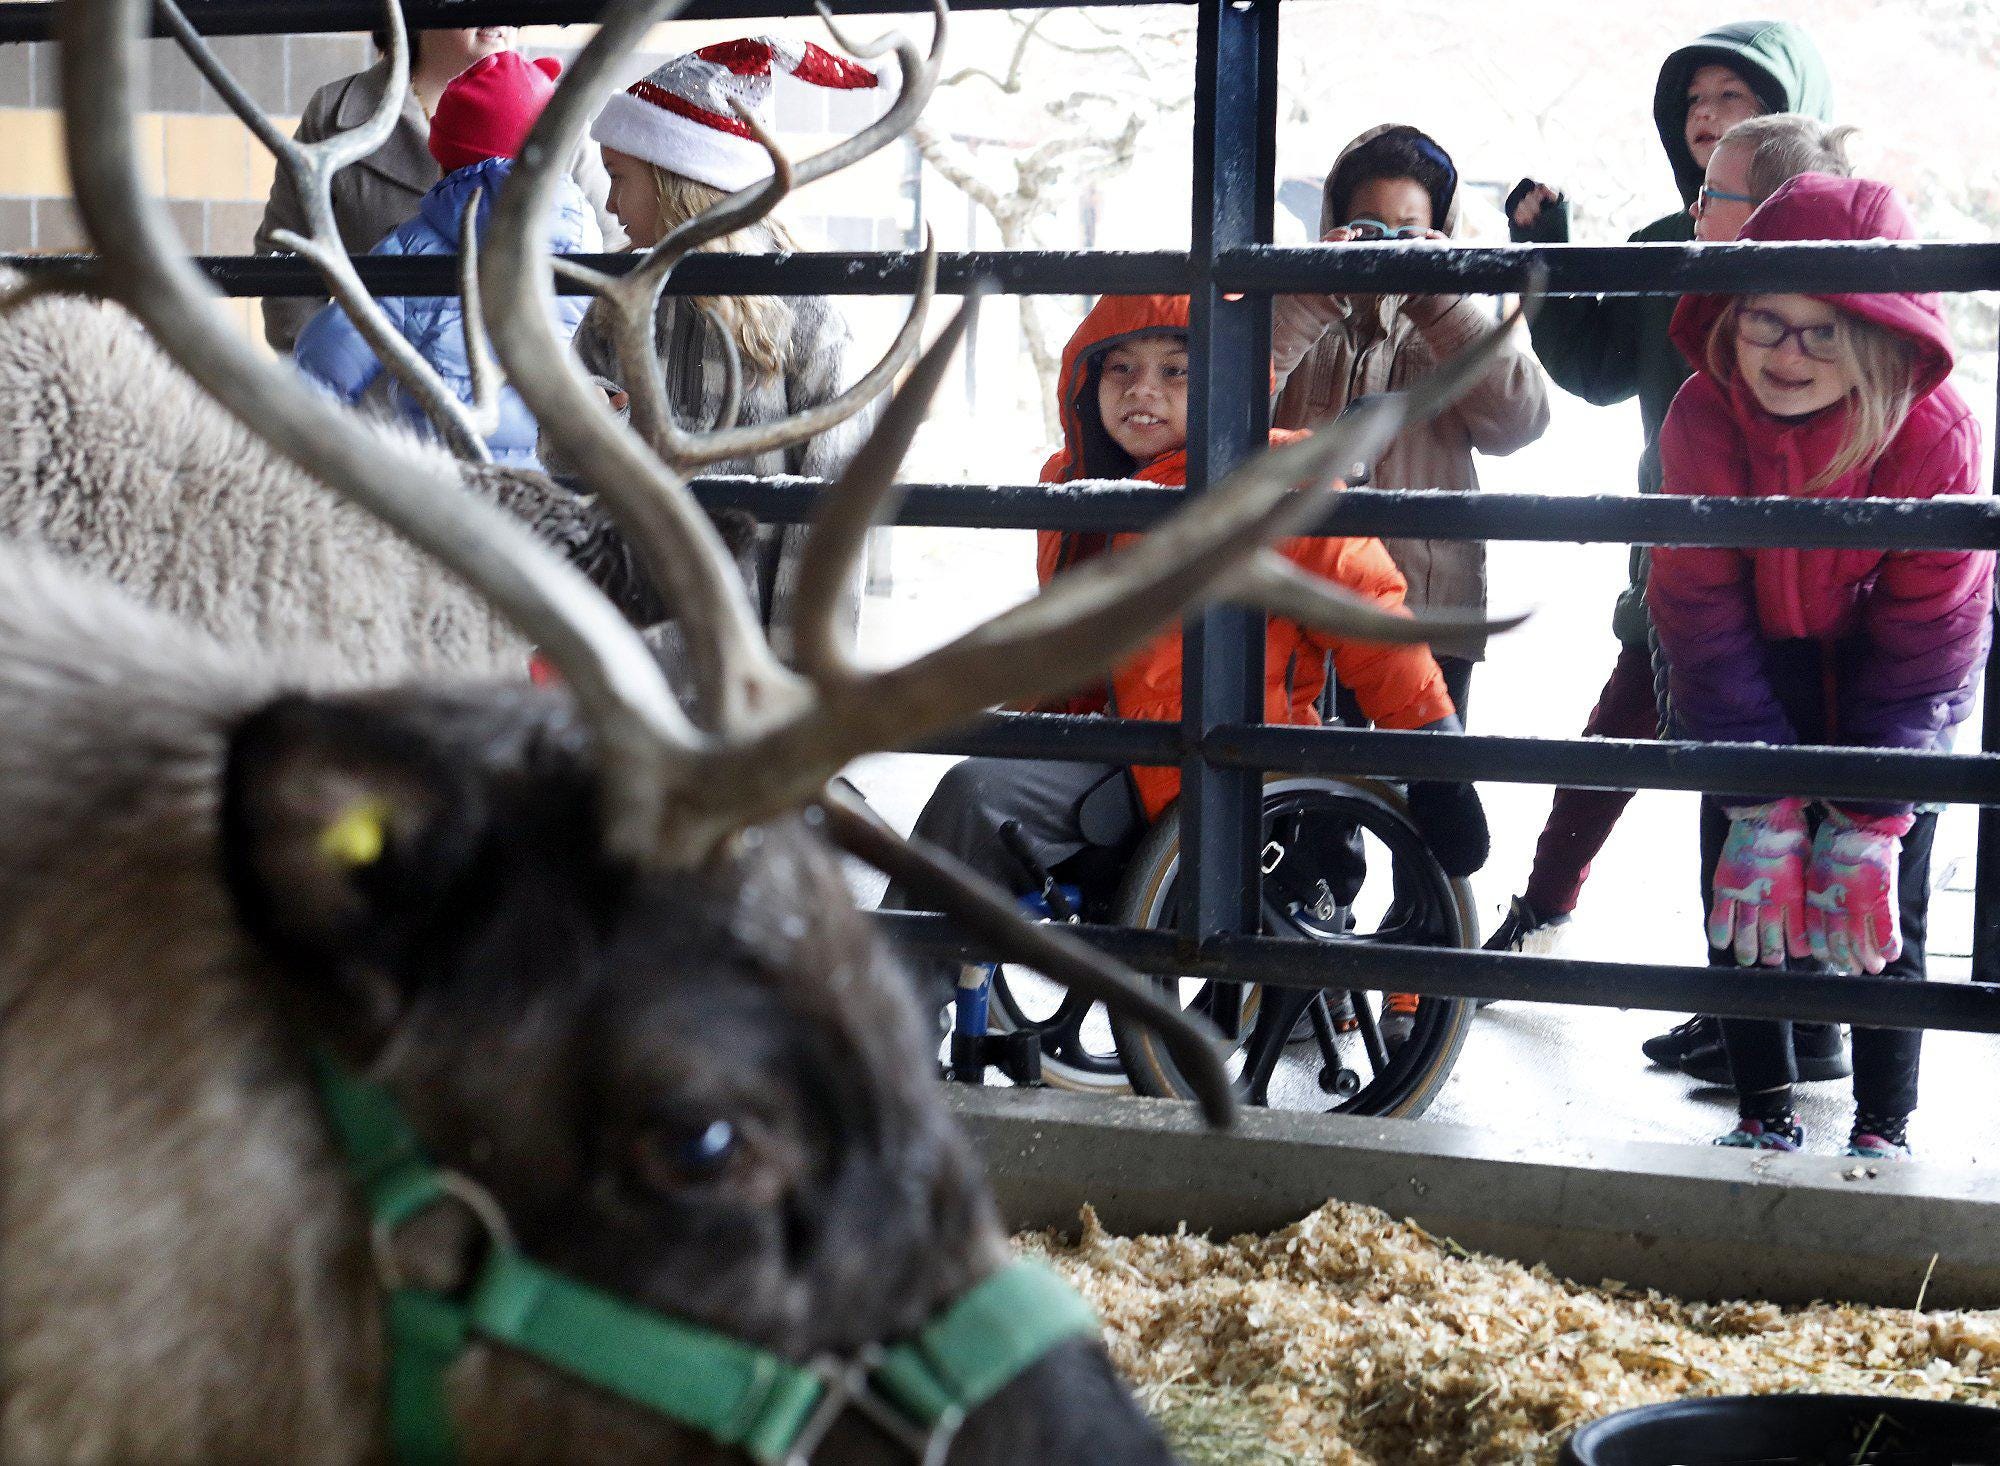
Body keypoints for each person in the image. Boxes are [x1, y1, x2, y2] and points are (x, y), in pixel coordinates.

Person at [892, 294, 1490, 1043]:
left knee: (973, 799)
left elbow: (1371, 614)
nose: (1143, 391)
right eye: (1121, 369)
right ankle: (889, 1009)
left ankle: (883, 1032)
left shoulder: (1278, 476)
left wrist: (1437, 752)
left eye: (1176, 371)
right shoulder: (1077, 490)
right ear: (1086, 382)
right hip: (1121, 757)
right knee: (972, 769)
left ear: (1223, 383)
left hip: (1222, 779)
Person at [1649, 172, 1991, 1160]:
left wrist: (1873, 812)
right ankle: (1761, 1103)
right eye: (1765, 320)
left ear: (1879, 333)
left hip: (1896, 668)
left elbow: (1929, 630)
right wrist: (1759, 800)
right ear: (1730, 315)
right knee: (1741, 885)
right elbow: (1697, 604)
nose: (1786, 354)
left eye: (1823, 328)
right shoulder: (1699, 417)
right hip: (1748, 658)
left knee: (1879, 896)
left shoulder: (1935, 432)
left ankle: (1883, 1120)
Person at [1490, 21, 1832, 966]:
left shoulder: (1845, 258)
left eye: (1735, 99)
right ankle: (1544, 914)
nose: (1708, 118)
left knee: (1767, 791)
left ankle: (1773, 1016)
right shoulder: (1665, 247)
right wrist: (1544, 252)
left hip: (1802, 576)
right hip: (1677, 558)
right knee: (1616, 742)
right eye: (1694, 101)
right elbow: (1595, 368)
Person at [568, 36, 882, 655]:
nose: (608, 202)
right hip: (631, 646)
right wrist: (590, 418)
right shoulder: (619, 304)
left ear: (677, 184)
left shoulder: (808, 317)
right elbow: (561, 456)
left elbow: (829, 516)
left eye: (620, 178)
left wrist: (800, 668)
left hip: (742, 655)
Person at [1270, 123, 1551, 725]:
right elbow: (1223, 404)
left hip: (1425, 603)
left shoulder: (1456, 320)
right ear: (1334, 225)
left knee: (1428, 786)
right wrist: (1315, 291)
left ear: (1439, 236)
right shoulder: (1289, 306)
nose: (1387, 248)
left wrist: (1439, 295)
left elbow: (1520, 422)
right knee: (1298, 791)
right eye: (1369, 228)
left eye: (1409, 233)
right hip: (1294, 602)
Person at [292, 52, 599, 470]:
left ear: (446, 162)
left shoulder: (411, 250)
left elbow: (325, 367)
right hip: (544, 479)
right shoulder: (583, 235)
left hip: (443, 478)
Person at [255, 20, 616, 353]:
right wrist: (314, 381)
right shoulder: (335, 114)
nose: (501, 12)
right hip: (377, 387)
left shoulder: (556, 115)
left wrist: (574, 388)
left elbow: (614, 254)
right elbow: (287, 253)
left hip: (521, 388)